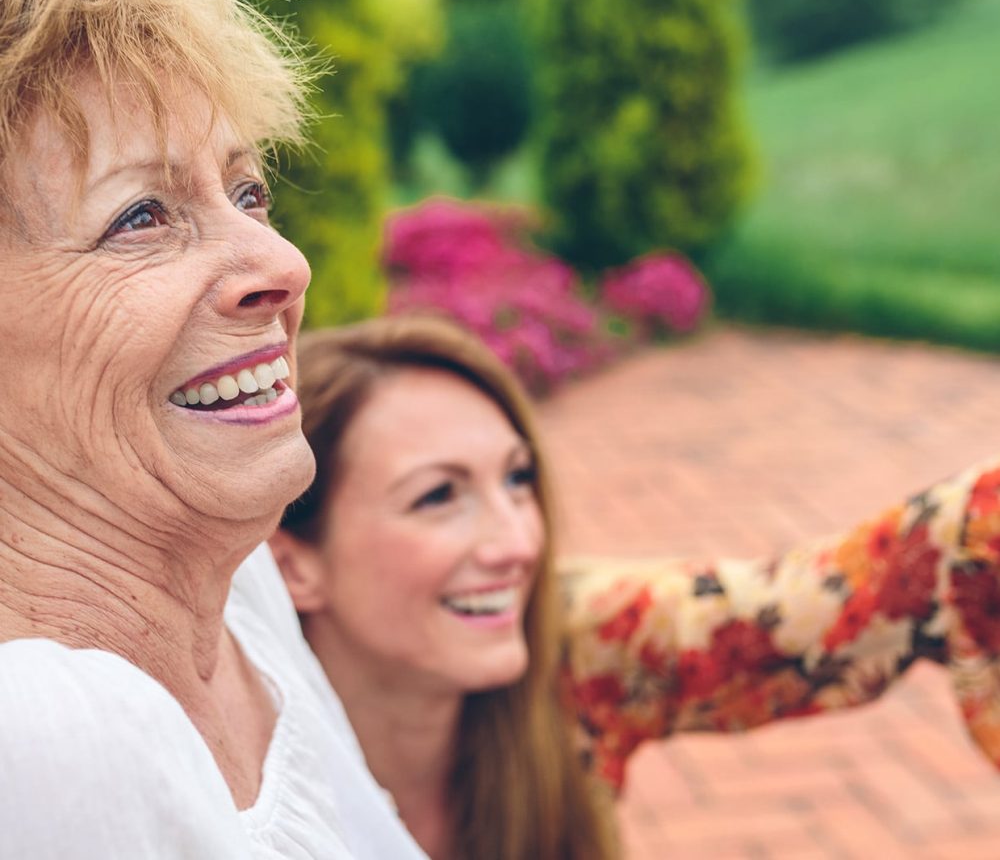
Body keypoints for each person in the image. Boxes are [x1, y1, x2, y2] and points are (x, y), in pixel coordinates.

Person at [0, 0, 428, 859]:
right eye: (140, 217)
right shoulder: (42, 741)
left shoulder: (234, 584)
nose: (285, 266)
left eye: (248, 191)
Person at [273, 313, 1000, 860]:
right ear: (290, 564)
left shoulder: (580, 639)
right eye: (438, 497)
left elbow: (843, 597)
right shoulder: (214, 769)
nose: (520, 543)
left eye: (517, 478)